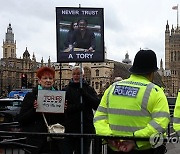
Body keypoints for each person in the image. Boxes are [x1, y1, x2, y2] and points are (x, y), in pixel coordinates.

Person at [94, 49, 170, 154]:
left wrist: (108, 136)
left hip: (115, 148)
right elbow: (160, 123)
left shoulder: (112, 88)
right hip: (144, 149)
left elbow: (99, 117)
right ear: (152, 72)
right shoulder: (155, 91)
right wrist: (134, 140)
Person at [17, 66, 64, 154]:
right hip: (35, 143)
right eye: (45, 78)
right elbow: (22, 119)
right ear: (39, 80)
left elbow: (63, 120)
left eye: (50, 78)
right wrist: (34, 109)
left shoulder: (59, 97)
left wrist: (64, 110)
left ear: (53, 80)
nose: (48, 80)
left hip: (54, 142)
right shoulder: (31, 96)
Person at [62, 66, 100, 154]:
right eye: (74, 74)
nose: (76, 76)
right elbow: (63, 108)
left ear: (83, 75)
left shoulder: (89, 89)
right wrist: (78, 106)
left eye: (78, 74)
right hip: (70, 127)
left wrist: (85, 95)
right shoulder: (66, 90)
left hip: (85, 127)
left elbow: (97, 105)